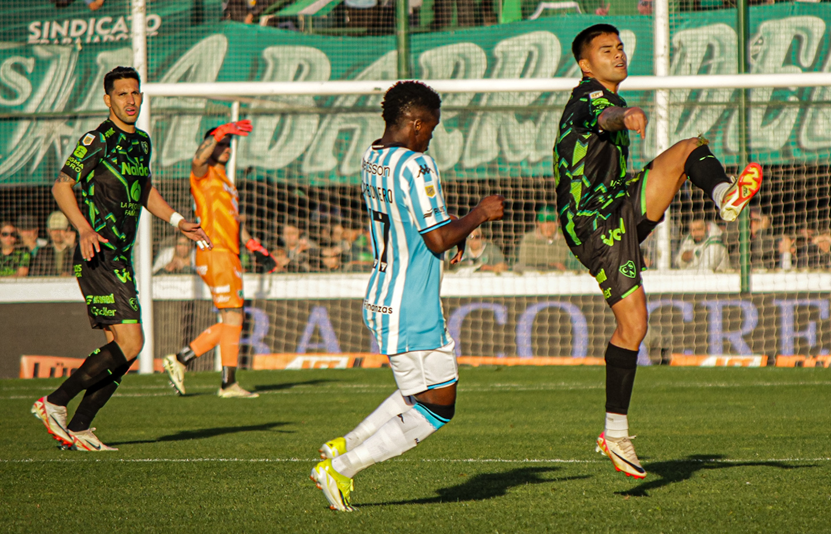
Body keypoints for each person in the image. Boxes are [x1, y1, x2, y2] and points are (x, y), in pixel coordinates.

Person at [553, 24, 762, 479]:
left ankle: (724, 195)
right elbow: (605, 117)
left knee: (689, 148)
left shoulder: (604, 95)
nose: (618, 54)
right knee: (634, 326)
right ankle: (614, 432)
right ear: (585, 65)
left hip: (617, 201)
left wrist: (623, 114)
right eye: (605, 50)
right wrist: (625, 115)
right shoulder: (588, 97)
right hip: (594, 221)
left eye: (620, 47)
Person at [310, 81, 504, 512]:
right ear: (416, 123)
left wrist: (454, 227)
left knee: (420, 394)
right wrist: (478, 215)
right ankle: (342, 467)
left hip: (383, 294)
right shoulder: (416, 165)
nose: (431, 136)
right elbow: (436, 240)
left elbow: (415, 220)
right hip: (410, 304)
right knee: (438, 408)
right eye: (431, 127)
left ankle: (347, 443)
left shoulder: (372, 156)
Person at [31, 66, 211, 452]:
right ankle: (55, 402)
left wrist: (178, 221)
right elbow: (62, 186)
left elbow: (143, 189)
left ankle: (80, 426)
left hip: (119, 256)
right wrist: (83, 229)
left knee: (121, 350)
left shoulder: (141, 142)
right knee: (132, 342)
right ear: (107, 99)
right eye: (122, 94)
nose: (130, 100)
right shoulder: (98, 139)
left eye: (135, 93)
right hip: (98, 253)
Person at [163, 119, 275, 399]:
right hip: (214, 252)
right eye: (221, 143)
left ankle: (184, 360)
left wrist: (254, 246)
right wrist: (219, 132)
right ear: (210, 143)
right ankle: (225, 382)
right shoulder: (203, 174)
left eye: (228, 143)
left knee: (233, 318)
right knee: (233, 315)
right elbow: (197, 159)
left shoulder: (227, 182)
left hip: (229, 253)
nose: (226, 147)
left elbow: (234, 221)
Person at [513, 205, 578, 271]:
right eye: (545, 222)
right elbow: (524, 263)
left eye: (551, 222)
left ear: (558, 222)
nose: (548, 226)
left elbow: (572, 264)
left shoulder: (565, 240)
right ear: (538, 223)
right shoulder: (529, 239)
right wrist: (552, 265)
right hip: (534, 274)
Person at [32, 211, 76, 276]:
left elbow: (80, 272)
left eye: (61, 229)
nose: (58, 232)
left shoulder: (75, 251)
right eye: (54, 229)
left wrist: (72, 248)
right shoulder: (43, 252)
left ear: (68, 229)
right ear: (48, 231)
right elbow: (35, 274)